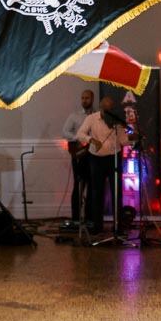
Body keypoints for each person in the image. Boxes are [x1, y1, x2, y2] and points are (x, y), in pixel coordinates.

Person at [77, 96, 130, 234]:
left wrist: (132, 139)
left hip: (114, 157)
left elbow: (123, 140)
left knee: (116, 192)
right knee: (97, 193)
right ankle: (97, 226)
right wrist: (92, 140)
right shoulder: (91, 119)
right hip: (96, 159)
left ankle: (118, 226)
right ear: (100, 108)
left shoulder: (117, 120)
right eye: (105, 109)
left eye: (111, 109)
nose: (108, 112)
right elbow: (80, 134)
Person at [61, 90, 94, 228]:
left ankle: (90, 218)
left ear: (92, 99)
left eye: (87, 98)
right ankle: (75, 218)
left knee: (92, 186)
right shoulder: (74, 116)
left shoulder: (97, 116)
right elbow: (65, 132)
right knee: (78, 185)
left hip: (93, 154)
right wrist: (78, 138)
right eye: (82, 98)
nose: (84, 100)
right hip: (79, 154)